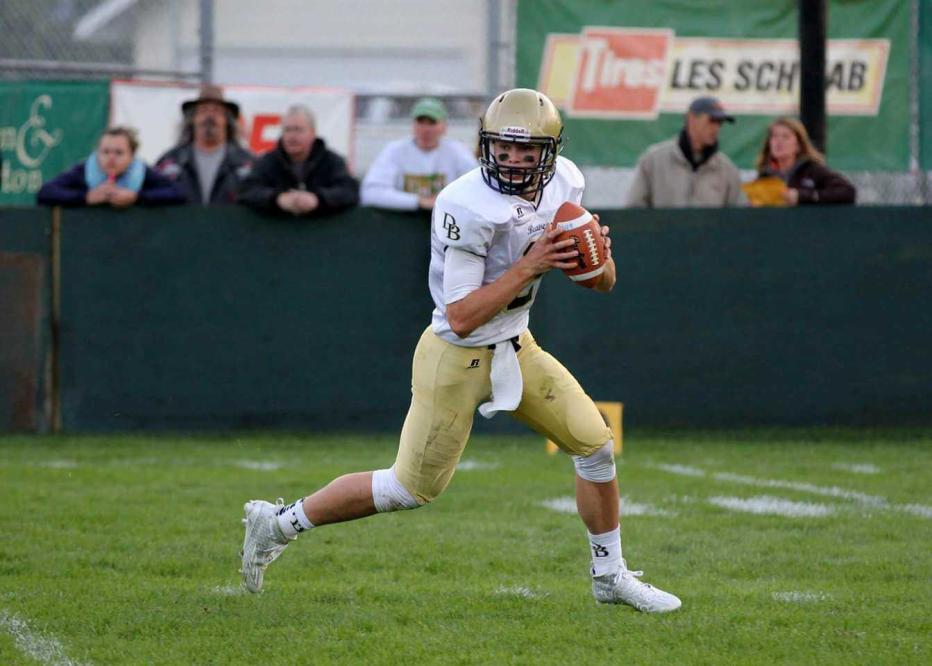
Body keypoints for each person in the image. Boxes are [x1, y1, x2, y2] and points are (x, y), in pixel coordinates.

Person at [239, 88, 681, 614]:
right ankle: (279, 523)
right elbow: (461, 315)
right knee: (408, 489)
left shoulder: (566, 181)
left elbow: (602, 283)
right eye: (504, 148)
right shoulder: (464, 203)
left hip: (517, 344)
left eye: (527, 151)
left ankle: (610, 576)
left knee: (595, 447)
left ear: (551, 151)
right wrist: (531, 265)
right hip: (456, 355)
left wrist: (594, 255)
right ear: (485, 145)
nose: (514, 161)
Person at [236, 104, 359, 217]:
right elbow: (246, 191)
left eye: (298, 130)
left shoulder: (332, 161)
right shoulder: (267, 161)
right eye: (287, 130)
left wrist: (318, 199)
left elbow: (349, 191)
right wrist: (277, 199)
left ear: (312, 133)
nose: (292, 136)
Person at [626, 96, 746, 208]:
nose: (716, 128)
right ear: (691, 118)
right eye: (712, 120)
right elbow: (634, 210)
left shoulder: (727, 170)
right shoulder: (654, 161)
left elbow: (739, 220)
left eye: (720, 123)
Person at [360, 97, 477, 211]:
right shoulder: (395, 150)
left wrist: (446, 203)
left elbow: (476, 189)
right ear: (413, 125)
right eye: (420, 122)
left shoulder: (457, 151)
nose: (426, 129)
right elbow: (371, 193)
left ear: (444, 127)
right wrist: (418, 201)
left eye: (432, 123)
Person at [155, 85, 254, 205]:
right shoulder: (171, 161)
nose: (210, 116)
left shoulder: (246, 163)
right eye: (203, 110)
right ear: (192, 119)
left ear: (227, 120)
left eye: (217, 111)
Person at [36, 126, 184, 207]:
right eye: (105, 152)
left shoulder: (142, 173)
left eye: (119, 153)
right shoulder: (83, 171)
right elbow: (45, 192)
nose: (111, 158)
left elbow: (179, 193)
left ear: (131, 156)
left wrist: (137, 197)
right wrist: (86, 197)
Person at [744, 116, 856, 206]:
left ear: (798, 145)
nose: (779, 141)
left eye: (785, 137)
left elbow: (848, 192)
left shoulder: (812, 170)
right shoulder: (764, 175)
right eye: (774, 136)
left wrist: (802, 197)